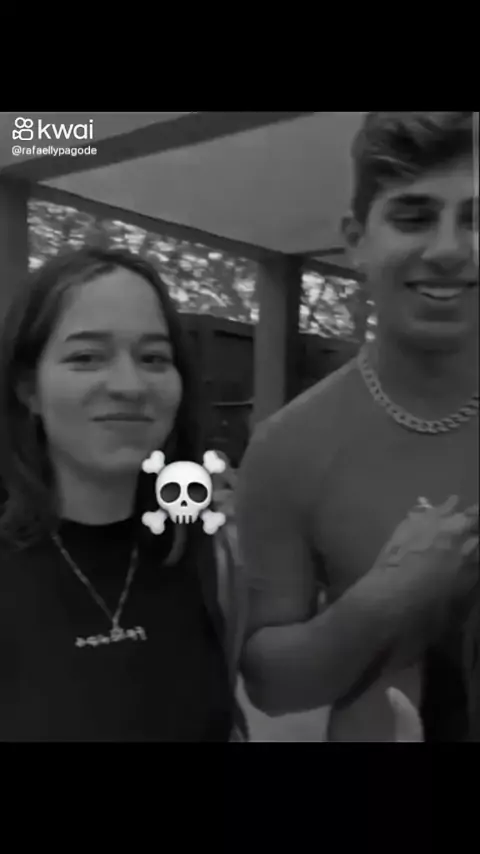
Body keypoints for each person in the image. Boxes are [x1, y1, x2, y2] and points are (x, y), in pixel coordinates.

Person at [235, 111, 478, 741]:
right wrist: (386, 596)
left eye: (475, 219)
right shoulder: (288, 447)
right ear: (356, 241)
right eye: (413, 217)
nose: (449, 249)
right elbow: (270, 686)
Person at [0, 246, 246, 742]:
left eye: (154, 358)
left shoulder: (212, 556)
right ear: (29, 389)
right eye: (86, 357)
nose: (130, 386)